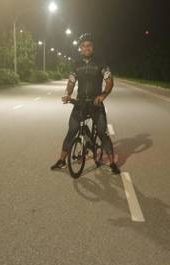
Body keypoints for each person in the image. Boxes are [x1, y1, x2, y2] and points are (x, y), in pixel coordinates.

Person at [50, 33, 120, 174]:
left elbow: (109, 81)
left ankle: (112, 163)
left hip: (96, 104)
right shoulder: (76, 64)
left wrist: (103, 96)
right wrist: (68, 94)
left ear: (92, 47)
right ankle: (62, 160)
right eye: (83, 46)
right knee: (71, 131)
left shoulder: (101, 63)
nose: (86, 48)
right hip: (80, 103)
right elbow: (71, 81)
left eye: (89, 45)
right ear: (80, 48)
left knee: (102, 133)